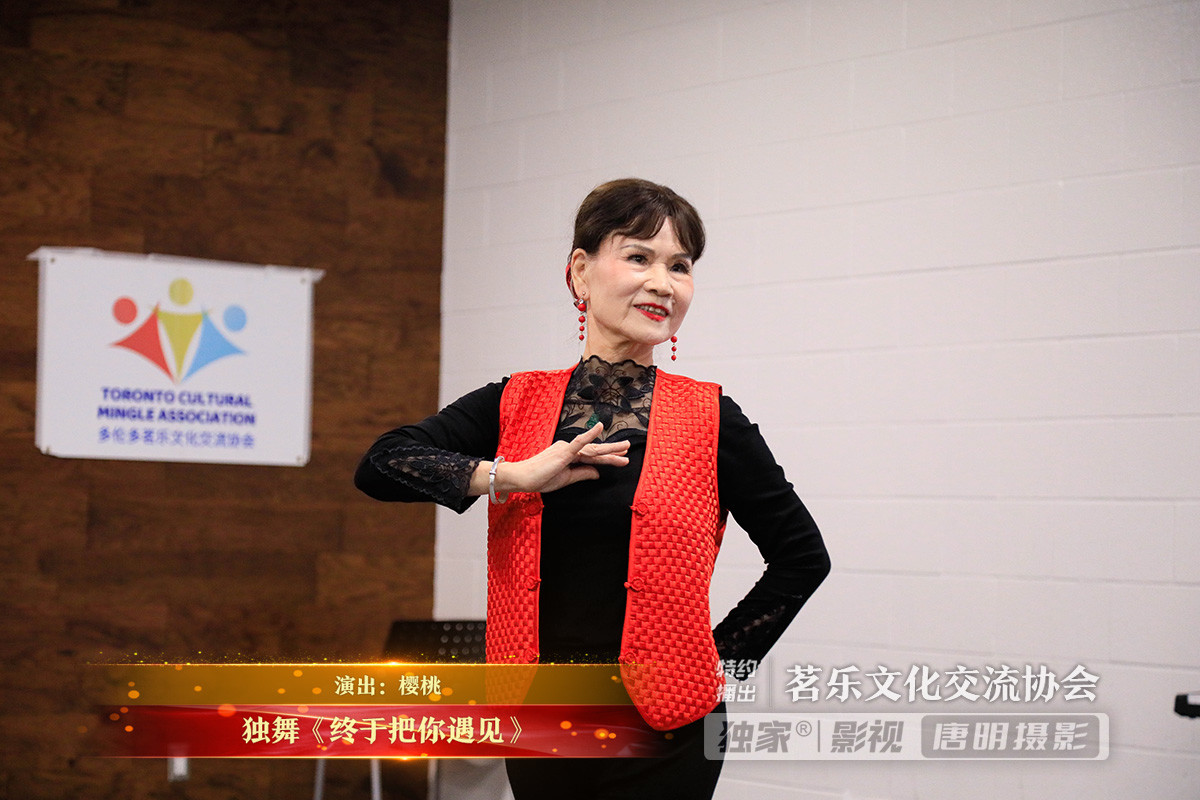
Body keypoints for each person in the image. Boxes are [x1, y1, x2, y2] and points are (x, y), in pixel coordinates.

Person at [355, 178, 830, 799]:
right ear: (580, 272)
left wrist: (714, 664)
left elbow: (801, 557)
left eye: (680, 266)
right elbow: (382, 463)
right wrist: (510, 476)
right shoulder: (513, 400)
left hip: (665, 733)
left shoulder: (712, 417)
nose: (663, 283)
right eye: (639, 257)